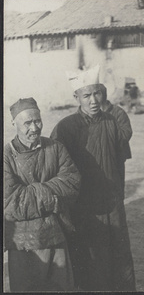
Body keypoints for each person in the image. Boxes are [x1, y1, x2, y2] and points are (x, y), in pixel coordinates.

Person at [50, 65, 136, 291]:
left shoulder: (112, 121)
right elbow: (54, 165)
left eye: (97, 93)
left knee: (117, 250)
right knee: (89, 255)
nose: (93, 100)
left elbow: (120, 155)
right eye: (86, 95)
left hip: (111, 199)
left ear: (103, 93)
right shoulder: (66, 126)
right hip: (84, 204)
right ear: (76, 96)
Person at [4, 97, 81, 292]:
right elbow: (11, 202)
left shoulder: (55, 148)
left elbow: (72, 182)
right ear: (14, 124)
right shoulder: (5, 157)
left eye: (37, 121)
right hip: (23, 244)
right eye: (27, 123)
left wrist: (32, 192)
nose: (34, 128)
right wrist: (51, 193)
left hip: (56, 235)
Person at [96, 84, 132, 197]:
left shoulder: (118, 112)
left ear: (104, 96)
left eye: (97, 94)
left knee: (117, 186)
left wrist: (107, 138)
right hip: (98, 156)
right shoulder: (93, 112)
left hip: (117, 156)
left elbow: (126, 133)